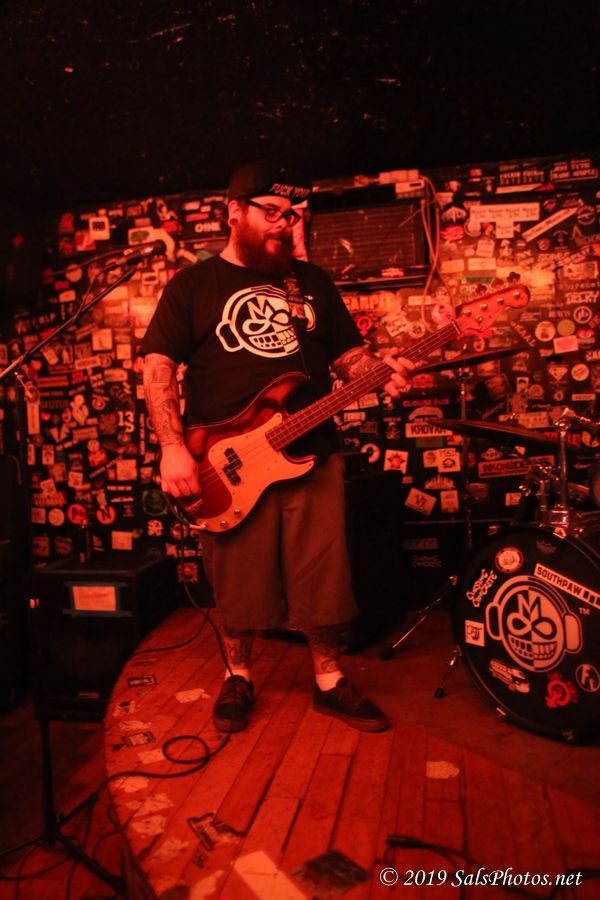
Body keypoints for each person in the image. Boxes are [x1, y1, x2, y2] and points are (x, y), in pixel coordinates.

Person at [140, 160, 412, 734]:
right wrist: (171, 446)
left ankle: (329, 680)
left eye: (291, 215)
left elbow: (348, 358)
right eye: (271, 212)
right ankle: (237, 674)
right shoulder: (192, 285)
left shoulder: (310, 282)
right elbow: (158, 364)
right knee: (237, 576)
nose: (283, 224)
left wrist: (380, 371)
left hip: (312, 448)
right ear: (233, 212)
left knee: (323, 574)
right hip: (228, 458)